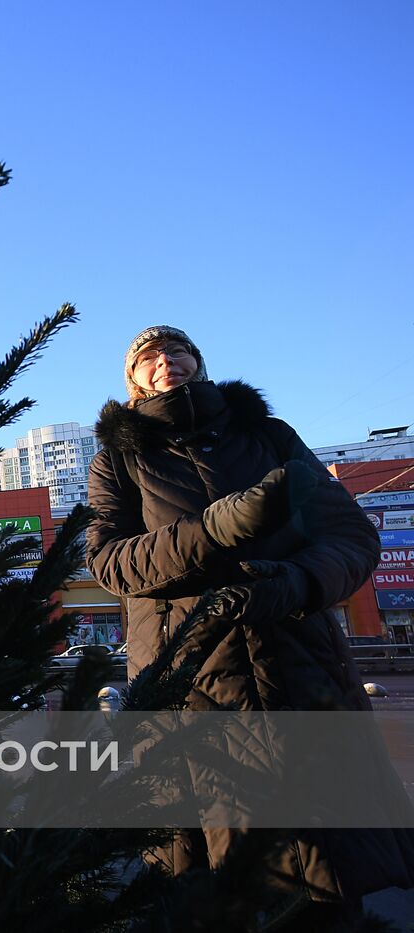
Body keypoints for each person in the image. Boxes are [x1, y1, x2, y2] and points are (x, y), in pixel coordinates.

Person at [86, 325, 414, 931]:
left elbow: (350, 536)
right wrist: (212, 531)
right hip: (192, 687)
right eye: (148, 358)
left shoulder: (269, 436)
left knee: (329, 878)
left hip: (301, 667)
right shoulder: (121, 460)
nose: (166, 363)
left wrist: (298, 583)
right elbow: (111, 563)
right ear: (132, 382)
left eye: (177, 351)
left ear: (198, 362)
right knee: (215, 889)